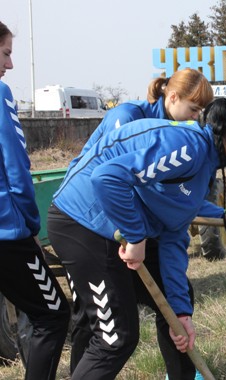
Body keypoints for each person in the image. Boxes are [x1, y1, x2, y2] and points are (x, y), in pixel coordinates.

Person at [47, 93, 226, 380]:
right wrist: (136, 237)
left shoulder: (203, 166)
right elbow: (107, 177)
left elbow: (173, 234)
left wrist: (179, 313)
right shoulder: (187, 148)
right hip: (82, 222)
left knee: (177, 302)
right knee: (116, 337)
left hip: (110, 226)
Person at [0, 21, 70, 380]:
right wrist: (30, 226)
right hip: (7, 234)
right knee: (53, 314)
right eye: (6, 53)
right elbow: (16, 164)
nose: (9, 65)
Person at [68, 68, 214, 170]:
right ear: (174, 97)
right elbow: (108, 171)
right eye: (193, 109)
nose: (195, 117)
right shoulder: (127, 116)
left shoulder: (170, 128)